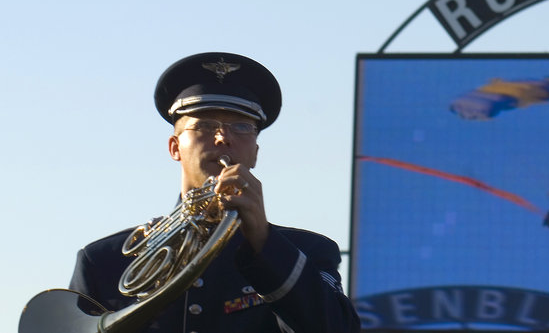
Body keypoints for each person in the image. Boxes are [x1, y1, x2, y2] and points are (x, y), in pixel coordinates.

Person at [69, 52, 361, 333]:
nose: (223, 138)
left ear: (255, 154)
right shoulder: (103, 262)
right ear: (174, 147)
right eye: (206, 126)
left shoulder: (308, 252)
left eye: (242, 127)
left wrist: (264, 241)